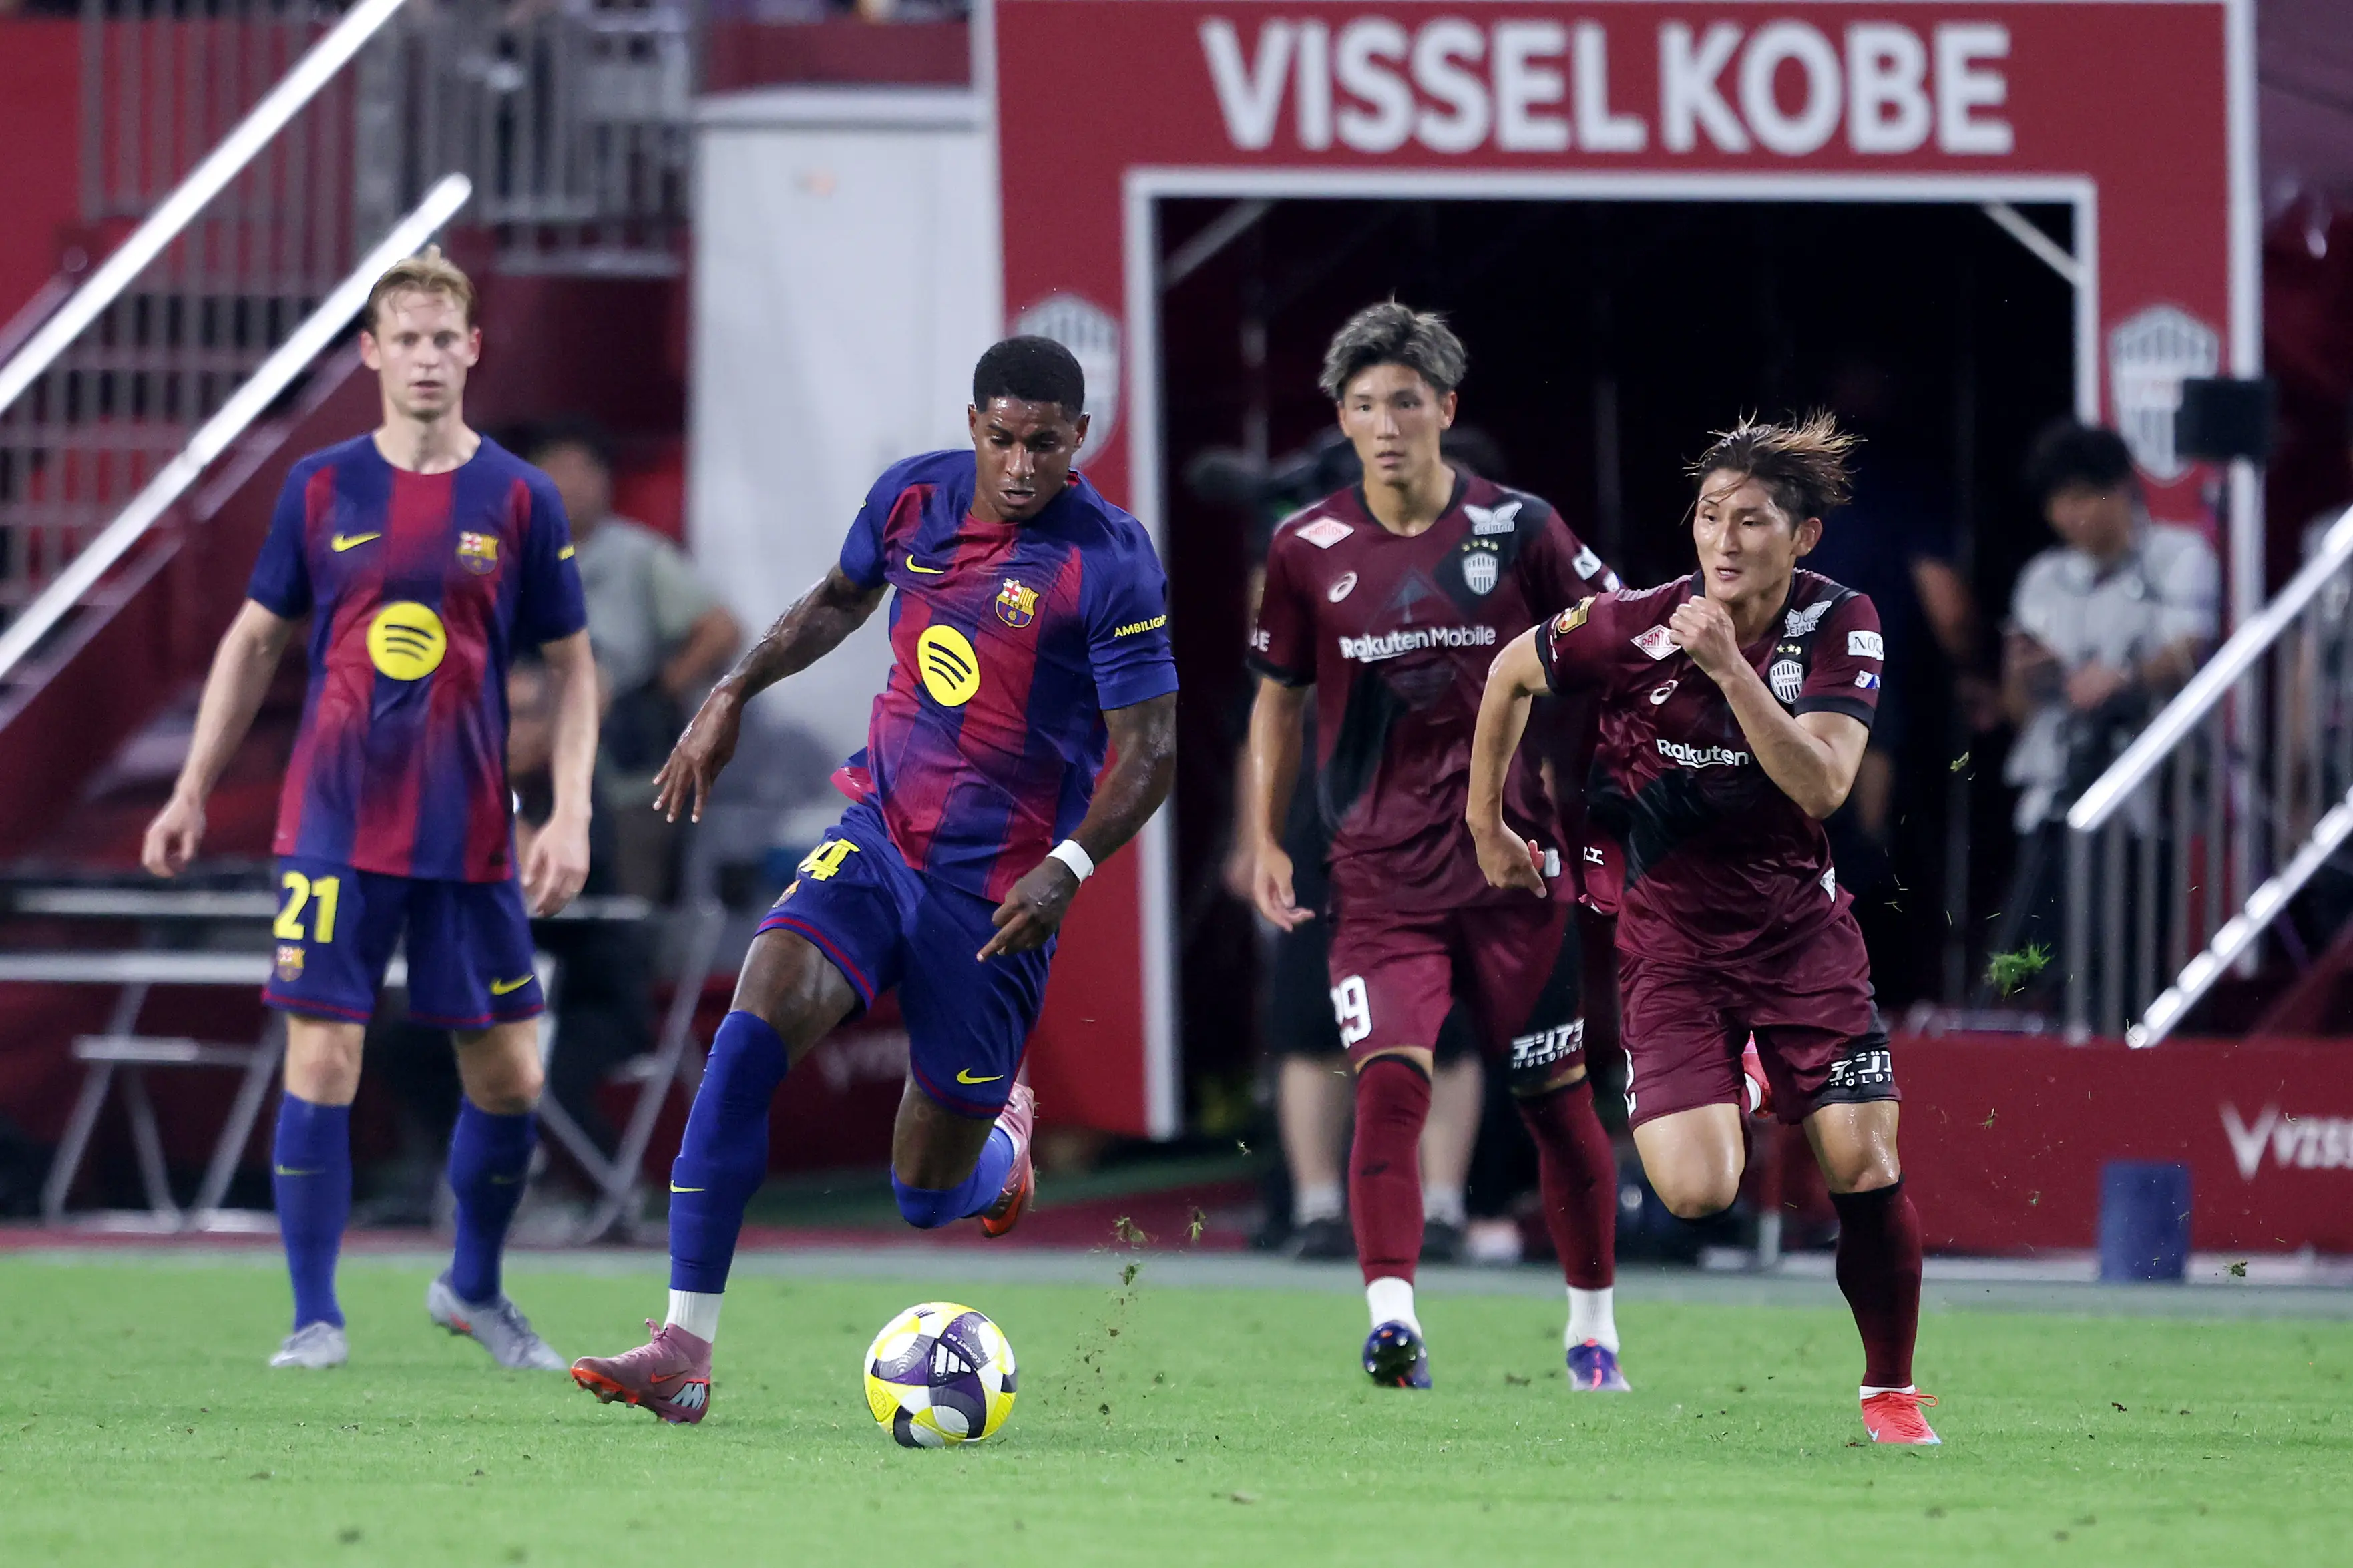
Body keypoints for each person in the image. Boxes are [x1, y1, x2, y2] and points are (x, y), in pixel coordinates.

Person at [569, 336, 1178, 1424]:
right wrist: (734, 687)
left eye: (1044, 441)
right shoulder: (912, 498)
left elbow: (1151, 750)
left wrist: (1069, 863)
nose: (1021, 461)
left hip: (995, 897)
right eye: (1001, 437)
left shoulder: (1113, 561)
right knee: (749, 1032)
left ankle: (998, 1149)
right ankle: (682, 1345)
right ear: (973, 424)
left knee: (922, 1193)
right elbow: (840, 597)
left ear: (1077, 439)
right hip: (879, 836)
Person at [139, 248, 598, 1371]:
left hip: (474, 828)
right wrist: (193, 785)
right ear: (372, 352)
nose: (428, 356)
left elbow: (574, 665)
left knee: (509, 1074)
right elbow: (255, 638)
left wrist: (570, 808)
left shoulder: (518, 496)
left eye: (447, 337)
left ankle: (474, 1288)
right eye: (408, 337)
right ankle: (313, 1316)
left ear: (472, 347)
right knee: (324, 1056)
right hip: (337, 824)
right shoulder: (321, 485)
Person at [1468, 413, 1941, 1445]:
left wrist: (1730, 669)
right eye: (1709, 516)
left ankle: (1891, 1392)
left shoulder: (1840, 619)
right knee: (1695, 1192)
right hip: (1672, 948)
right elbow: (1508, 672)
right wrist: (1484, 819)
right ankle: (1755, 1075)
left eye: (1754, 520)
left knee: (1863, 1162)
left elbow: (1822, 784)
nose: (1724, 540)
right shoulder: (1635, 622)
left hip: (1800, 940)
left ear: (1803, 537)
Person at [1239, 302, 1625, 1391]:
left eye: (1404, 401)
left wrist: (1602, 797)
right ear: (1342, 418)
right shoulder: (1303, 546)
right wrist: (1265, 834)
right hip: (1377, 875)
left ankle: (1590, 1325)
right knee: (1388, 1084)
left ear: (1443, 409)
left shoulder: (1521, 528)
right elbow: (1275, 700)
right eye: (1362, 405)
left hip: (1514, 872)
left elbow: (1614, 649)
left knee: (1553, 1102)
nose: (1383, 424)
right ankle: (1390, 1315)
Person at [1985, 421, 2218, 999]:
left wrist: (2124, 678)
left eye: (2081, 498)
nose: (2069, 517)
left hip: (2142, 795)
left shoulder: (2178, 556)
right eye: (2057, 503)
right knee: (2035, 958)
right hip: (2054, 793)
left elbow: (2190, 645)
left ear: (2120, 490)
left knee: (2124, 960)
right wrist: (2028, 674)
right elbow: (2017, 708)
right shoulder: (2042, 578)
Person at [523, 417, 742, 898]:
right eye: (555, 470)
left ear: (604, 480)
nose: (570, 484)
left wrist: (656, 695)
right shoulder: (513, 555)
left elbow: (720, 629)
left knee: (626, 905)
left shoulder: (637, 555)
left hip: (623, 772)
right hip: (529, 769)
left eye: (582, 470)